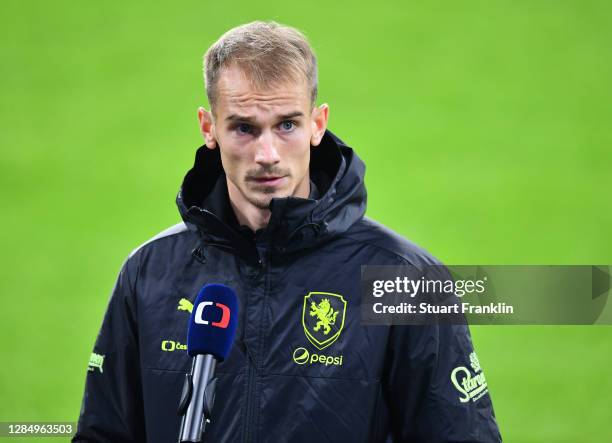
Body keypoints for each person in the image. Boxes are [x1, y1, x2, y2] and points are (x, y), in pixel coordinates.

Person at [73, 21, 502, 443]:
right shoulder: (149, 272)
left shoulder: (406, 279)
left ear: (318, 123)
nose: (267, 155)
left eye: (287, 125)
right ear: (209, 128)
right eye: (244, 127)